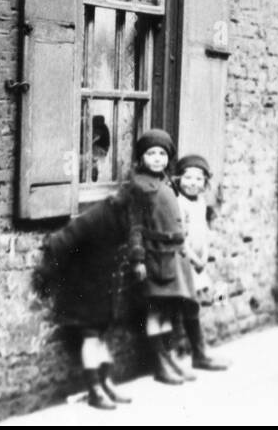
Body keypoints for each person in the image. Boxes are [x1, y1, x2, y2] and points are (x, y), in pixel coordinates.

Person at [37, 193, 134, 410]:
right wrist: (47, 274)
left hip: (102, 284)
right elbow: (61, 241)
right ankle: (94, 390)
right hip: (83, 286)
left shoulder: (127, 218)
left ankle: (105, 383)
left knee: (101, 335)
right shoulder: (98, 216)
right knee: (91, 336)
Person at [121, 128, 200, 385]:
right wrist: (138, 259)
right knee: (155, 311)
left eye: (162, 153)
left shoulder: (166, 182)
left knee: (167, 311)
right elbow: (135, 226)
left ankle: (170, 360)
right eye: (151, 153)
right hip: (155, 256)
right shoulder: (139, 186)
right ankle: (160, 365)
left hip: (172, 255)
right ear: (141, 158)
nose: (157, 158)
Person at [174, 153, 229, 371]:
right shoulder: (179, 203)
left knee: (194, 306)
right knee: (186, 306)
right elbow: (181, 238)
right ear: (178, 179)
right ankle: (191, 352)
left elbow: (203, 232)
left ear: (205, 183)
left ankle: (198, 352)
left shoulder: (201, 202)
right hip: (185, 262)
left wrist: (204, 255)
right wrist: (195, 259)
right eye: (188, 178)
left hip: (197, 263)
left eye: (198, 179)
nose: (193, 184)